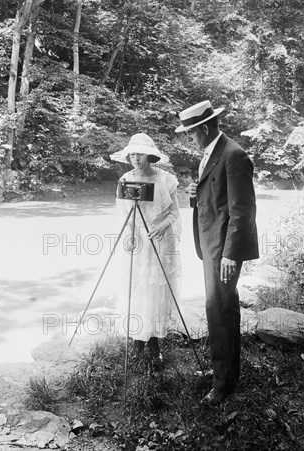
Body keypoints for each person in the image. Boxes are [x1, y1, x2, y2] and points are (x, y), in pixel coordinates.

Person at [175, 100, 259, 406]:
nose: (190, 139)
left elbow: (243, 211)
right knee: (224, 306)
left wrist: (230, 255)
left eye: (192, 133)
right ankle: (228, 373)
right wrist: (196, 197)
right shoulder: (212, 152)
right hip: (212, 244)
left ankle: (223, 383)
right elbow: (218, 197)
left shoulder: (234, 155)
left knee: (217, 307)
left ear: (206, 128)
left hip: (224, 248)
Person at [111, 133, 182, 368]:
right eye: (132, 154)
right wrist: (130, 235)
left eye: (139, 154)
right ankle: (136, 342)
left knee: (155, 290)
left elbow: (174, 213)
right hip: (137, 242)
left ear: (150, 156)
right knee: (136, 288)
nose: (135, 158)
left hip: (159, 241)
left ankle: (153, 344)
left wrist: (162, 226)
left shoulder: (166, 180)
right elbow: (123, 215)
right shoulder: (126, 179)